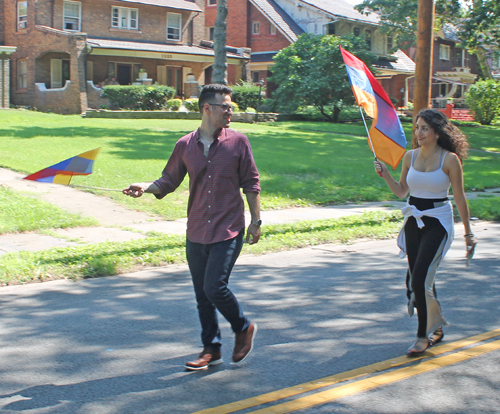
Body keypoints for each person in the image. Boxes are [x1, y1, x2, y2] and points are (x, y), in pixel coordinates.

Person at [123, 84, 261, 370]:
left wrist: (256, 221)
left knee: (215, 286)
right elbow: (169, 180)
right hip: (197, 228)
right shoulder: (185, 145)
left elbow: (251, 183)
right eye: (225, 106)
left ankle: (242, 327)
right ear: (207, 109)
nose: (230, 111)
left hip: (228, 228)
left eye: (231, 106)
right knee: (202, 294)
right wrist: (145, 188)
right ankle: (211, 348)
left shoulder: (238, 142)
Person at [374, 109, 477, 356]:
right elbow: (401, 192)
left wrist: (468, 233)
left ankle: (423, 336)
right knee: (420, 277)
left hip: (438, 222)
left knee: (420, 277)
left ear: (437, 133)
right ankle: (437, 327)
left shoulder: (450, 160)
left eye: (424, 128)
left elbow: (460, 198)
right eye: (417, 127)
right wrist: (385, 174)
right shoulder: (410, 157)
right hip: (413, 220)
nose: (419, 133)